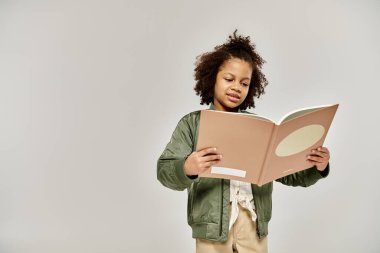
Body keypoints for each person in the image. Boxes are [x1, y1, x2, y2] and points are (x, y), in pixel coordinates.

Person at [157, 29, 330, 253]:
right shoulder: (192, 123)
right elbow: (164, 170)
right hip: (212, 232)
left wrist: (318, 167)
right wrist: (187, 168)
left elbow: (288, 173)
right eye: (229, 79)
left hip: (253, 226)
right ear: (212, 78)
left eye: (244, 83)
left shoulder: (260, 129)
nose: (236, 87)